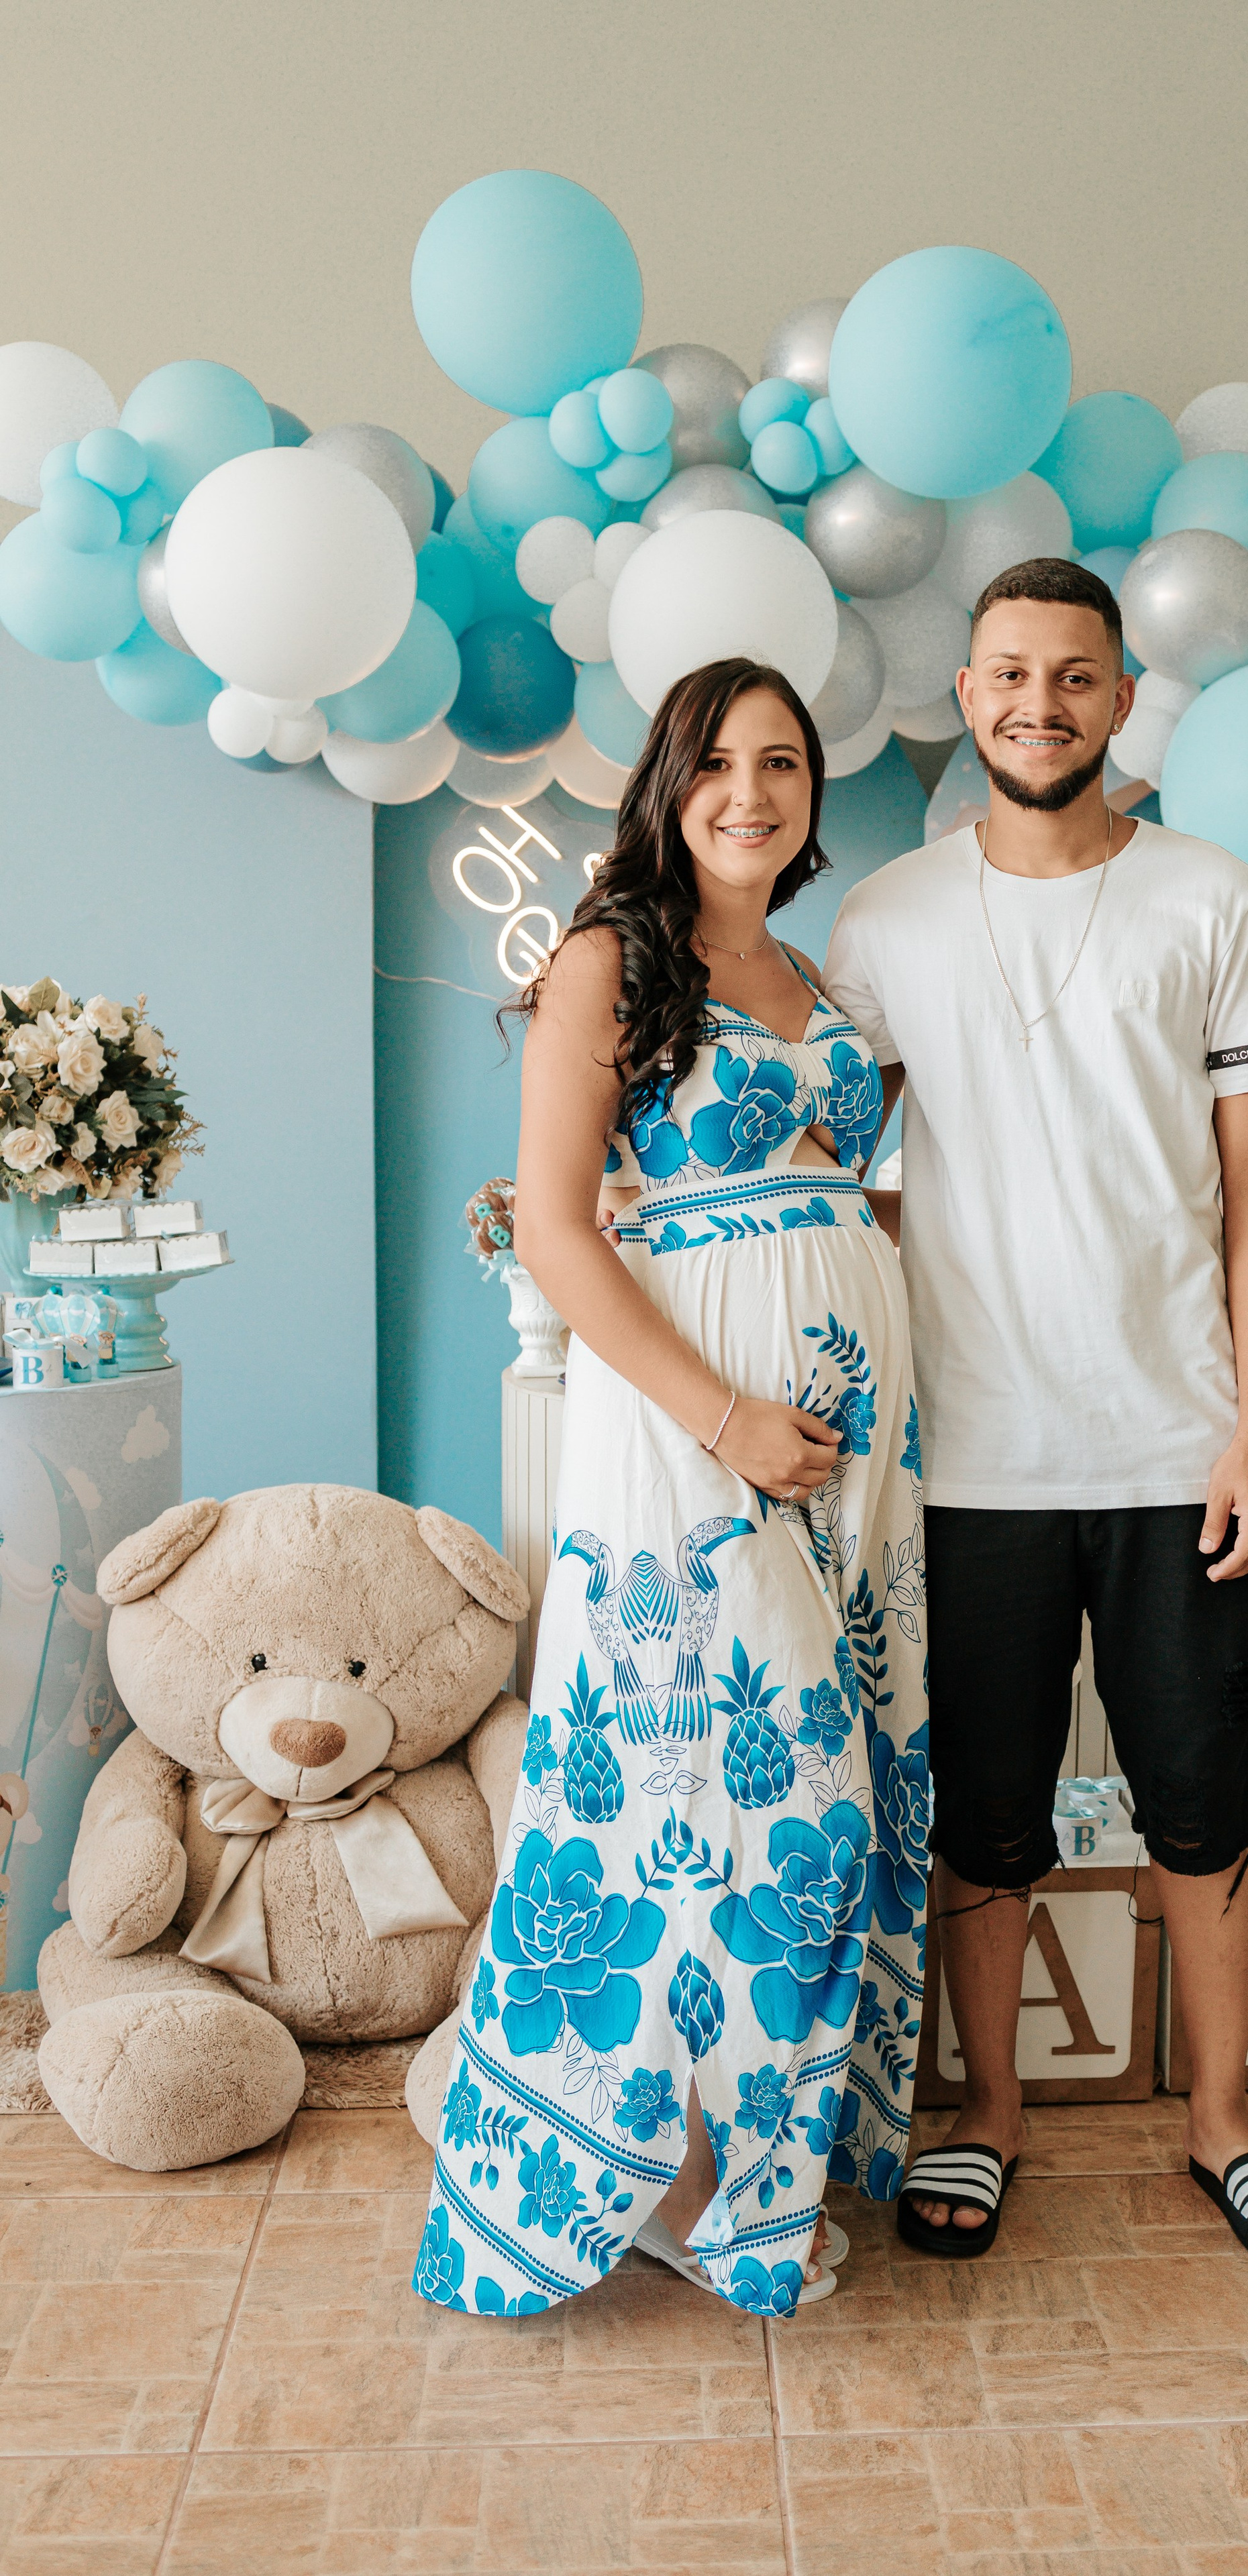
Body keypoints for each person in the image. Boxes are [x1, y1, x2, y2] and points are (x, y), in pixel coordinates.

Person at [823, 558, 1248, 2268]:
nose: (1034, 703)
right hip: (966, 1462)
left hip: (1175, 1448)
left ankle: (1222, 2121)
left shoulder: (1215, 900)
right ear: (963, 696)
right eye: (1005, 673)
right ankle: (987, 2114)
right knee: (985, 1812)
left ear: (1122, 699)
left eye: (1070, 675)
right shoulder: (884, 922)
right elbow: (839, 1180)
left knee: (1202, 1801)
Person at [414, 657, 929, 2322]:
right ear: (667, 785)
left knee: (825, 1786)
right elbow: (560, 1231)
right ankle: (667, 2185)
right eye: (716, 764)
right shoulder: (606, 961)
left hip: (849, 1454)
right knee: (717, 1793)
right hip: (691, 1442)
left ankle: (755, 2162)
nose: (749, 794)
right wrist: (726, 1418)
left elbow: (848, 1198)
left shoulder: (809, 972)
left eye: (781, 764)